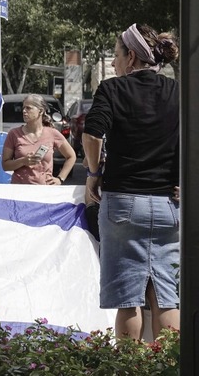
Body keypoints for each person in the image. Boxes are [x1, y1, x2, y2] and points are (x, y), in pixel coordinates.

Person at [82, 23, 180, 341]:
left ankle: (128, 368)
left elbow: (92, 134)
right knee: (166, 296)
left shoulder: (111, 90)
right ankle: (169, 365)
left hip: (122, 203)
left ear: (132, 57)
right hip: (170, 205)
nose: (113, 63)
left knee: (128, 300)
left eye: (116, 55)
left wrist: (94, 174)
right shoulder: (177, 93)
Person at [1, 94, 76, 184]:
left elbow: (71, 156)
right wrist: (23, 161)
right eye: (23, 108)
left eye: (28, 108)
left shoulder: (52, 133)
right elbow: (5, 165)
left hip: (44, 192)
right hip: (19, 190)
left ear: (40, 111)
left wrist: (60, 179)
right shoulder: (13, 134)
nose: (24, 111)